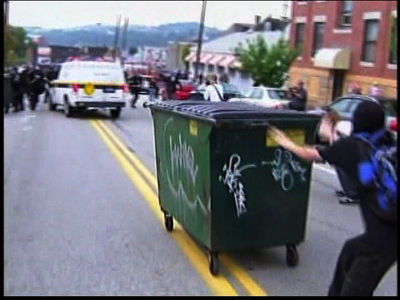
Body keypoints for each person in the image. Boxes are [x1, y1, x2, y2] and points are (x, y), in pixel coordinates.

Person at [268, 101, 397, 296]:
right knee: (350, 251)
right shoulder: (386, 142)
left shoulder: (352, 147)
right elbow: (342, 151)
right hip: (389, 232)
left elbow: (309, 154)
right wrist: (330, 134)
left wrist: (286, 143)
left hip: (381, 243)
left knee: (355, 289)